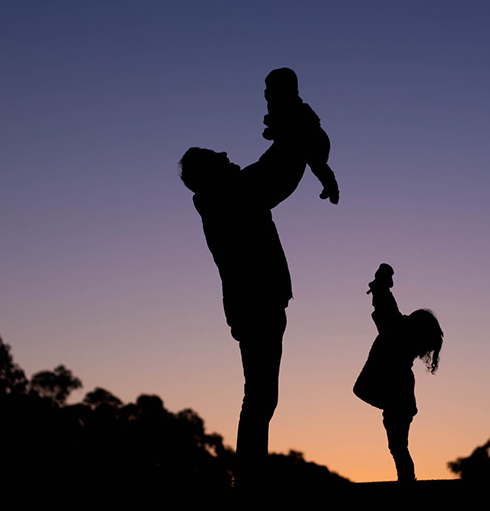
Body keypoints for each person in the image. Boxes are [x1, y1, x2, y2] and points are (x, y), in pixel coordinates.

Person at [178, 140, 335, 488]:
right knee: (261, 396)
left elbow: (271, 173)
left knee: (261, 394)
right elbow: (272, 174)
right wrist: (293, 138)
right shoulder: (228, 196)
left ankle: (250, 477)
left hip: (256, 305)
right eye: (221, 160)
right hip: (256, 306)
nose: (228, 159)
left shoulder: (225, 194)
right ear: (211, 173)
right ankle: (249, 479)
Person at [354, 264, 443, 482]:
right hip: (396, 394)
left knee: (398, 446)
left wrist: (381, 284)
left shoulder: (397, 332)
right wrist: (381, 285)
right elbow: (386, 308)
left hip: (397, 394)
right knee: (398, 446)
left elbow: (386, 308)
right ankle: (406, 478)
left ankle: (406, 479)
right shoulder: (398, 330)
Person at [262, 67, 339, 205]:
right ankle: (330, 185)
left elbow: (295, 127)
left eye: (271, 89)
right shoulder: (281, 108)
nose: (267, 93)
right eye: (267, 89)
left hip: (310, 142)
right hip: (291, 145)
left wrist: (274, 131)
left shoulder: (296, 111)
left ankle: (331, 186)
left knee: (316, 162)